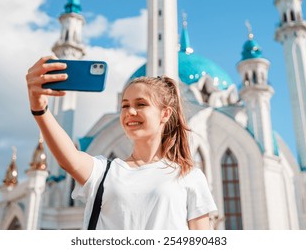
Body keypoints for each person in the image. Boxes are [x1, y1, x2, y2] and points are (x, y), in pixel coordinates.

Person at [26, 56, 217, 230]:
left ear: (165, 113)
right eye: (125, 105)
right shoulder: (105, 172)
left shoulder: (189, 176)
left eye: (141, 104)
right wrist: (39, 108)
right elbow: (70, 159)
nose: (130, 112)